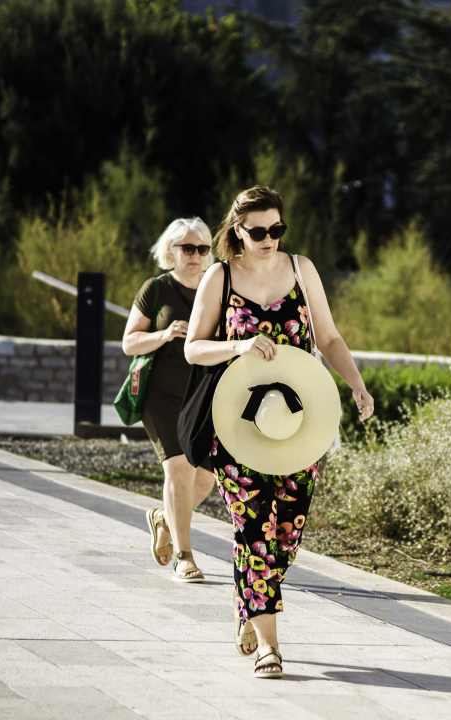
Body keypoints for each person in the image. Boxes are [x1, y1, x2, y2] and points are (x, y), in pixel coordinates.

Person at [184, 186, 374, 679]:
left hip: (297, 424)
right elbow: (193, 348)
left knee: (286, 533)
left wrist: (356, 385)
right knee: (254, 529)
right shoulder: (219, 277)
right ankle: (270, 645)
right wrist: (239, 345)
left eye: (277, 229)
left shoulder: (301, 270)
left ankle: (247, 597)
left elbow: (328, 337)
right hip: (237, 424)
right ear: (237, 232)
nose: (270, 239)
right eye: (259, 231)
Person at [123, 217, 217, 583]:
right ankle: (184, 556)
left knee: (205, 481)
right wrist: (163, 334)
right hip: (161, 394)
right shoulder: (156, 289)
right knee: (179, 468)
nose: (195, 256)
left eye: (203, 248)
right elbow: (129, 343)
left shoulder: (216, 289)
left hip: (202, 395)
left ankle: (164, 518)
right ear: (171, 251)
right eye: (187, 248)